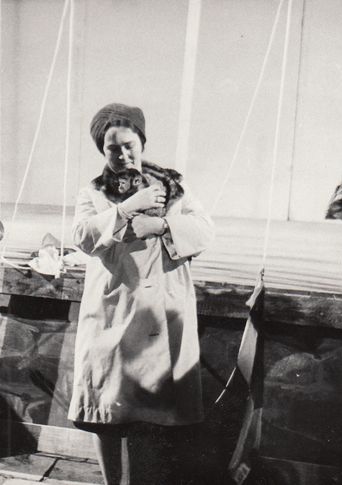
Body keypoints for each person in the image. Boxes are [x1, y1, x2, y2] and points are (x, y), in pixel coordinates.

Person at [68, 103, 215, 485]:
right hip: (113, 309)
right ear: (102, 150)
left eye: (128, 145)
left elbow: (204, 230)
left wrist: (162, 225)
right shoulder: (93, 192)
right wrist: (126, 209)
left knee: (151, 415)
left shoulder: (172, 186)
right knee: (107, 411)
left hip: (159, 312)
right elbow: (82, 235)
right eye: (112, 148)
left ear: (142, 142)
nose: (122, 154)